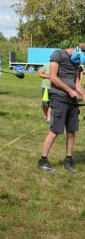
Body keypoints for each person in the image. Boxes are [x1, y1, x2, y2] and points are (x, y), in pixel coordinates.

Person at [38, 44, 85, 173]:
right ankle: (42, 161)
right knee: (55, 131)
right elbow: (53, 77)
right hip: (59, 98)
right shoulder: (57, 54)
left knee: (71, 131)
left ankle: (68, 161)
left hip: (72, 100)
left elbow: (76, 82)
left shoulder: (77, 62)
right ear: (77, 50)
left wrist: (84, 94)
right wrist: (69, 90)